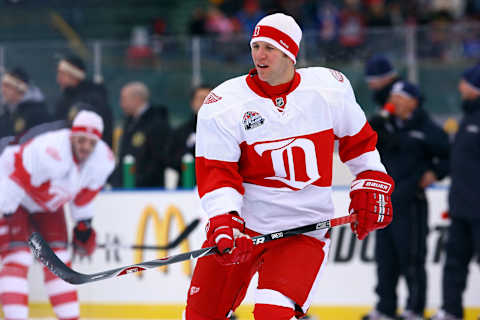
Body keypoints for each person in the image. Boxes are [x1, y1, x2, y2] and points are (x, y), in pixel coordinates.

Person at [184, 13, 395, 320]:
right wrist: (225, 220)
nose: (259, 54)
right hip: (245, 228)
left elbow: (360, 144)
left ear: (290, 53)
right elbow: (217, 173)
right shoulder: (224, 104)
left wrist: (371, 178)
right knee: (200, 317)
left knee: (273, 315)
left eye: (269, 47)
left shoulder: (328, 90)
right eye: (255, 46)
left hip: (302, 230)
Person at [0, 110, 115, 320]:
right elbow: (15, 178)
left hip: (46, 204)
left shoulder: (103, 160)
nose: (86, 147)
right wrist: (5, 212)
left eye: (92, 143)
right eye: (81, 140)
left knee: (60, 260)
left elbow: (82, 199)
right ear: (72, 136)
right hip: (12, 194)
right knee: (18, 258)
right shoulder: (49, 150)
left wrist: (83, 226)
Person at [363, 81, 450, 320]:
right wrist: (379, 118)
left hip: (411, 203)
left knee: (411, 258)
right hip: (384, 203)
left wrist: (435, 172)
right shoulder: (385, 124)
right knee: (385, 259)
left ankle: (414, 308)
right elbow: (365, 139)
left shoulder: (427, 128)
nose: (394, 100)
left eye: (399, 96)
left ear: (412, 101)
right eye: (392, 96)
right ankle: (385, 307)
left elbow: (448, 155)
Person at [429, 65, 480, 320]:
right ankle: (451, 310)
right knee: (454, 265)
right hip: (460, 208)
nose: (461, 87)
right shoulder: (467, 119)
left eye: (465, 83)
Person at [110, 81, 171, 188]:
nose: (121, 104)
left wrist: (138, 183)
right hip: (126, 187)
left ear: (137, 99)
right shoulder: (129, 122)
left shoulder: (156, 123)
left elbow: (157, 160)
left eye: (124, 99)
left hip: (148, 190)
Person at [54, 54, 113, 147]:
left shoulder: (93, 100)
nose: (58, 79)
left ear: (73, 75)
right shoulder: (64, 100)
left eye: (62, 74)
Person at [169, 84, 212, 183]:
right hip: (186, 187)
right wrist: (189, 150)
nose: (204, 102)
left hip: (216, 186)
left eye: (208, 98)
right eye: (201, 98)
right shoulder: (181, 132)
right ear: (192, 103)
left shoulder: (225, 129)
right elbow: (170, 159)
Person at [0, 67, 51, 139]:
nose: (3, 90)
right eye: (3, 86)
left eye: (7, 86)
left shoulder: (37, 114)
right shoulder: (6, 115)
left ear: (20, 89)